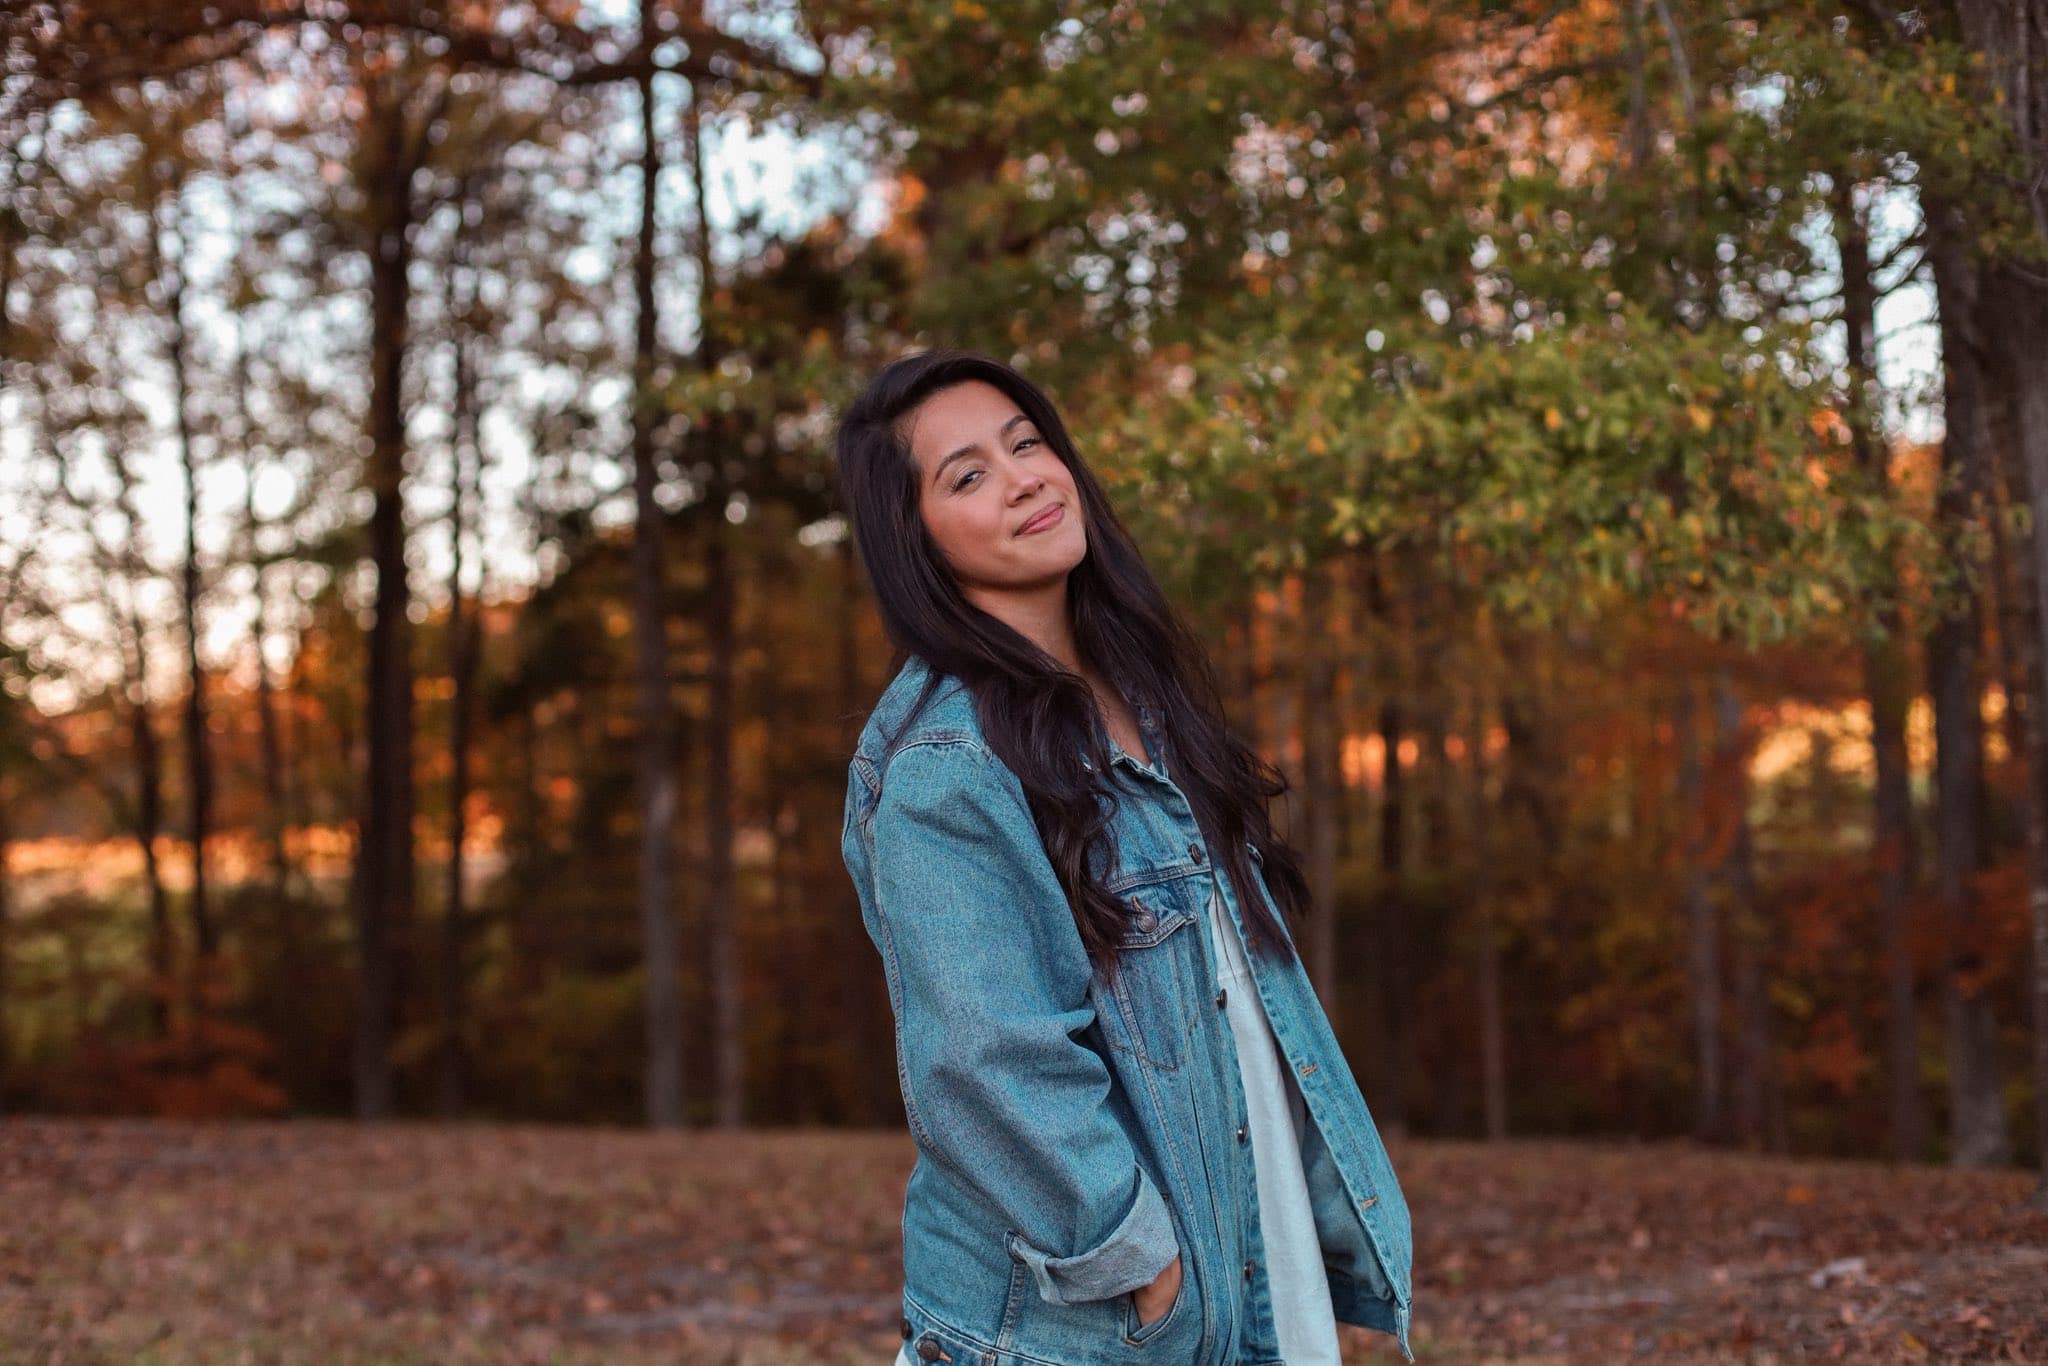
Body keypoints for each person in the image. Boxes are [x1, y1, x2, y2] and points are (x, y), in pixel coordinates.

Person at [834, 349, 1414, 1366]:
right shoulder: (945, 762)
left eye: (1026, 443)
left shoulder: (1137, 692)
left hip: (1238, 1245)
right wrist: (1140, 1257)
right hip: (1087, 1319)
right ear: (913, 539)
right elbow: (983, 1055)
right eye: (967, 476)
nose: (1023, 479)